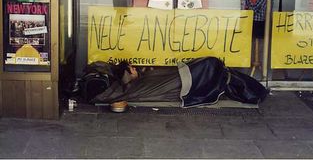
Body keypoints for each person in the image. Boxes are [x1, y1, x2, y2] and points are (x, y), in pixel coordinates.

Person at [92, 57, 269, 108]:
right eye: (133, 68)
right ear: (128, 72)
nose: (136, 68)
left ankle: (253, 91)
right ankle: (253, 92)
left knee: (219, 71)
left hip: (186, 76)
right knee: (216, 70)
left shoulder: (142, 79)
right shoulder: (135, 85)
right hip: (185, 82)